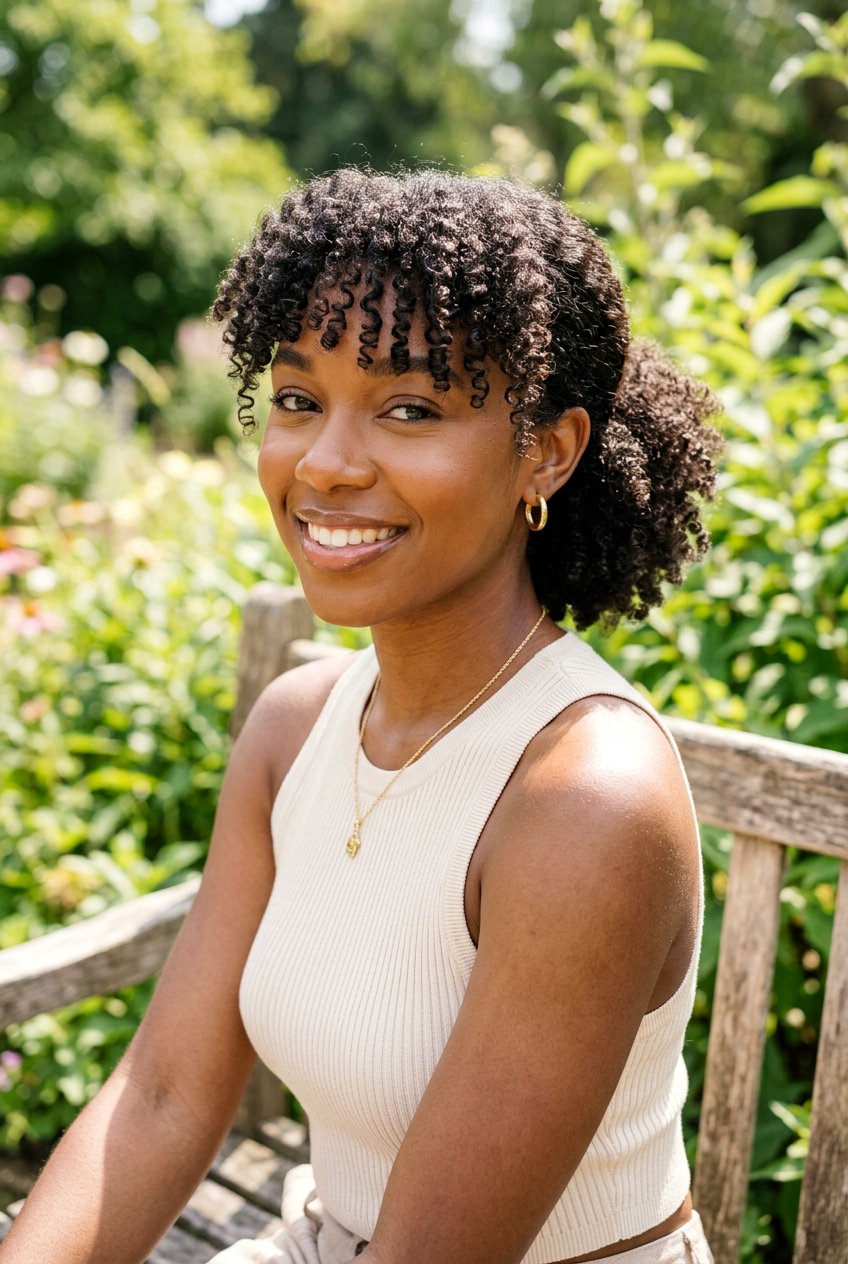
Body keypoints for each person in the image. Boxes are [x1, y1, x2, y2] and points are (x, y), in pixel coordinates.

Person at [0, 169, 722, 1264]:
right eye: (298, 400)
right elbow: (160, 1093)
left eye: (410, 408)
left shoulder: (583, 799)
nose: (326, 464)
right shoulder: (298, 728)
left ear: (548, 451)